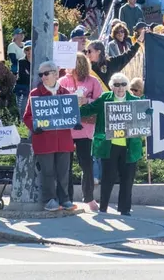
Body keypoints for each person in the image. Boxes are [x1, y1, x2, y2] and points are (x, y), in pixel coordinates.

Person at [78, 72, 142, 215]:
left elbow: (144, 117)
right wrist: (77, 108)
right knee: (108, 178)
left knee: (127, 178)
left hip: (129, 147)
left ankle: (125, 209)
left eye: (123, 84)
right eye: (117, 85)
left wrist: (148, 113)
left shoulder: (135, 100)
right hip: (109, 146)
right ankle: (103, 207)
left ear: (127, 86)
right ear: (112, 87)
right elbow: (89, 109)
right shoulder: (104, 98)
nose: (120, 88)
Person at [23, 61, 76, 211]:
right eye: (41, 74)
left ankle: (64, 199)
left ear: (56, 74)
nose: (43, 77)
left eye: (46, 73)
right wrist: (35, 126)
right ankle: (50, 200)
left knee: (63, 172)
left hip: (63, 140)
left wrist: (75, 121)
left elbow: (71, 114)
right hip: (44, 140)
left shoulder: (65, 93)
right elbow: (27, 117)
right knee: (47, 172)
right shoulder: (35, 94)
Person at [61, 53, 105, 211]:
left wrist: (87, 101)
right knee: (65, 166)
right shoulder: (63, 81)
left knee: (86, 165)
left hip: (85, 129)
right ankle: (67, 199)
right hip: (66, 129)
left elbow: (101, 102)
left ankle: (89, 198)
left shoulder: (93, 81)